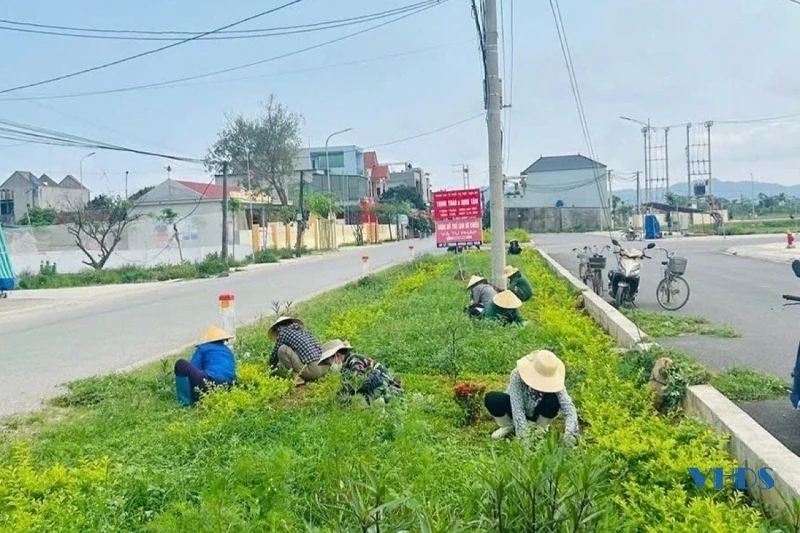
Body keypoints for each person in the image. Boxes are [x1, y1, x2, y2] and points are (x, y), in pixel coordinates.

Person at [484, 350, 579, 446]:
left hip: (539, 412)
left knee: (553, 400)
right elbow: (517, 406)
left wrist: (570, 433)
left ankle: (541, 427)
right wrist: (523, 439)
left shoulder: (556, 381)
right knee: (493, 399)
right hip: (515, 409)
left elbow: (568, 407)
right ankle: (508, 425)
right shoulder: (517, 375)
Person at [319, 339, 403, 406]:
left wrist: (344, 392)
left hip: (389, 389)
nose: (330, 367)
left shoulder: (354, 360)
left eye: (330, 363)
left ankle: (379, 404)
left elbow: (359, 380)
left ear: (337, 356)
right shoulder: (344, 369)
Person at [174, 325, 237, 406]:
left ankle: (185, 403)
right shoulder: (228, 351)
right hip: (230, 385)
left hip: (211, 379)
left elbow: (194, 367)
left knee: (181, 364)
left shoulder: (204, 348)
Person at [268, 315, 326, 384]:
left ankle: (297, 378)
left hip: (313, 371)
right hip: (323, 367)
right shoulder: (303, 331)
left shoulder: (283, 333)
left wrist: (269, 369)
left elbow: (274, 357)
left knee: (282, 349)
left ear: (278, 328)